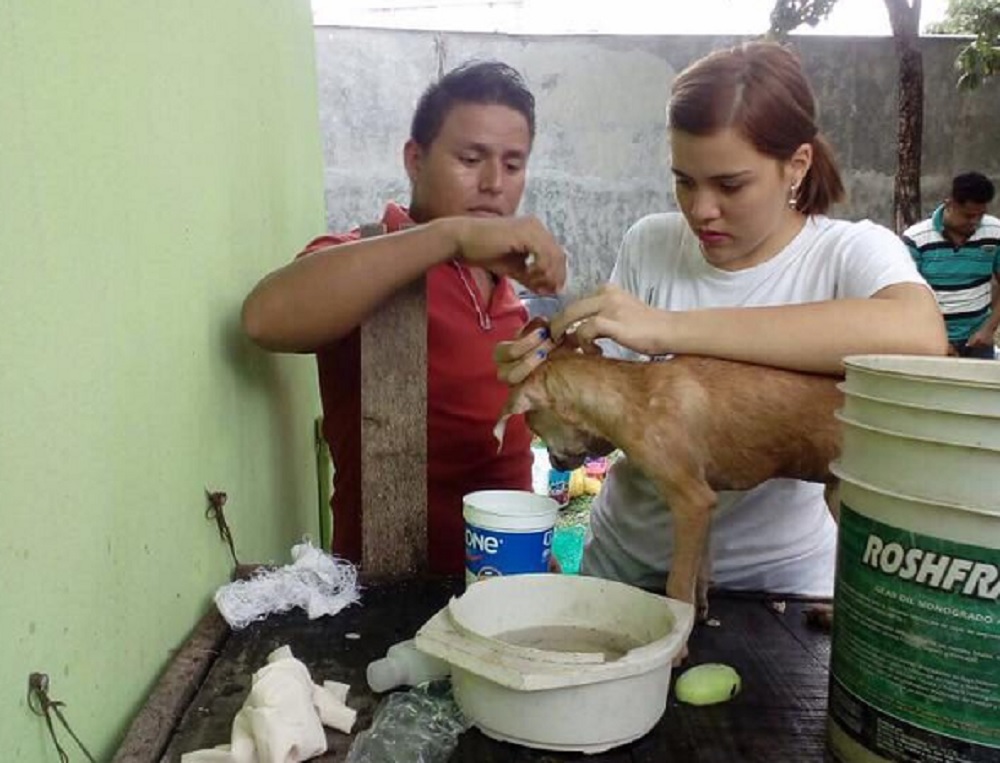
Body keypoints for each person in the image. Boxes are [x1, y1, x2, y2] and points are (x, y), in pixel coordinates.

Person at [496, 42, 946, 598]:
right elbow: (605, 436)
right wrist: (553, 383)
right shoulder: (652, 243)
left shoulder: (848, 253)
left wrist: (668, 329)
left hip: (778, 594)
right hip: (623, 570)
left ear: (796, 166)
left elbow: (922, 338)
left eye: (729, 185)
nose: (701, 209)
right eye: (684, 180)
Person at [242, 61, 567, 575]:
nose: (492, 183)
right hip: (387, 597)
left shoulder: (509, 289)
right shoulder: (368, 258)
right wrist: (450, 236)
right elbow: (265, 319)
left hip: (503, 585)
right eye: (470, 158)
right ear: (415, 160)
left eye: (512, 164)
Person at [903, 172, 1000, 359]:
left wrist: (988, 329)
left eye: (980, 215)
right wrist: (933, 338)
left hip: (978, 341)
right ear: (949, 204)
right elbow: (907, 298)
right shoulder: (916, 239)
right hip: (929, 341)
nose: (975, 222)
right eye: (968, 215)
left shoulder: (995, 232)